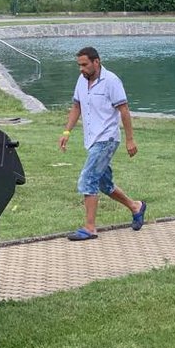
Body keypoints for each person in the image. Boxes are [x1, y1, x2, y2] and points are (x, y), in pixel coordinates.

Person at [58, 46, 147, 241]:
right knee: (104, 184)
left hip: (107, 139)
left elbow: (124, 110)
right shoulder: (81, 81)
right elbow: (76, 106)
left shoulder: (111, 81)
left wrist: (130, 139)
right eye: (79, 65)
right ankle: (136, 207)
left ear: (96, 62)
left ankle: (90, 228)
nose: (81, 69)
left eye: (84, 64)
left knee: (87, 179)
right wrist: (67, 131)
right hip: (91, 140)